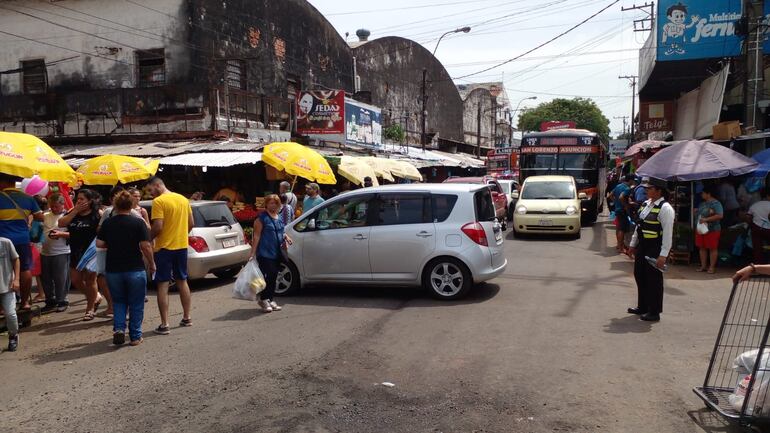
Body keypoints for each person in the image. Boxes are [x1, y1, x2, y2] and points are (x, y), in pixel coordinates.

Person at [97, 191, 155, 347]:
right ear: (132, 205)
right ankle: (135, 336)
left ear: (115, 205)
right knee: (136, 303)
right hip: (135, 268)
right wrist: (152, 263)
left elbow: (99, 244)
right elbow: (146, 246)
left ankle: (119, 330)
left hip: (113, 268)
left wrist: (112, 242)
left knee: (119, 302)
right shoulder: (138, 223)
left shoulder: (108, 223)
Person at [146, 177, 194, 335]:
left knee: (163, 284)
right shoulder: (182, 199)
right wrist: (181, 235)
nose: (150, 193)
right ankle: (187, 317)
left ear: (158, 185)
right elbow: (191, 223)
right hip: (181, 246)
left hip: (164, 248)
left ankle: (164, 323)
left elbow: (158, 226)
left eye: (151, 190)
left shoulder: (159, 201)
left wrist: (147, 239)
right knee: (182, 281)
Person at [627, 177, 675, 322]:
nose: (646, 190)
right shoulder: (646, 204)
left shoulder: (666, 209)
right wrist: (632, 244)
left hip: (655, 247)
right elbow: (639, 226)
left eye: (650, 188)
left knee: (653, 279)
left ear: (659, 191)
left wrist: (663, 255)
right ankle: (643, 306)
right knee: (639, 274)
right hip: (643, 245)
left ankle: (654, 311)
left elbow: (668, 233)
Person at [0, 173, 43, 310]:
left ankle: (2, 307)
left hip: (3, 240)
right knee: (25, 269)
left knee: (2, 271)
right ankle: (25, 302)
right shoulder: (28, 198)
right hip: (22, 239)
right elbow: (41, 217)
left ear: (3, 182)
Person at [58, 189, 103, 321]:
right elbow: (61, 223)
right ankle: (95, 297)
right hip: (75, 250)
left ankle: (89, 309)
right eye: (78, 199)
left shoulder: (97, 214)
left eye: (82, 199)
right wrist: (75, 211)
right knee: (76, 279)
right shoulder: (73, 212)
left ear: (90, 201)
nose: (79, 201)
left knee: (90, 280)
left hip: (91, 252)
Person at [249, 194, 292, 313]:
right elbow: (256, 236)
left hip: (277, 251)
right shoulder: (261, 218)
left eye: (275, 203)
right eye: (270, 203)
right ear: (266, 204)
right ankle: (263, 299)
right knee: (269, 275)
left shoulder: (278, 217)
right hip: (265, 252)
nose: (273, 205)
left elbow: (281, 231)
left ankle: (270, 299)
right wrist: (253, 253)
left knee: (274, 277)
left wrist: (287, 237)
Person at [40, 194, 70, 313]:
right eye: (51, 206)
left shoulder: (68, 216)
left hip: (61, 251)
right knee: (46, 278)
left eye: (56, 206)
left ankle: (62, 300)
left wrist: (61, 234)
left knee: (60, 278)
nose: (54, 209)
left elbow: (76, 234)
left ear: (62, 205)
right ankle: (50, 300)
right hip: (45, 251)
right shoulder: (46, 215)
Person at [695, 185, 724, 274]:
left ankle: (712, 267)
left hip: (712, 229)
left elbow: (720, 215)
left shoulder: (716, 203)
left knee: (712, 248)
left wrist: (706, 219)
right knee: (702, 247)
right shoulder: (702, 203)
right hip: (701, 229)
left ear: (709, 194)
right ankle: (703, 266)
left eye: (703, 193)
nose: (702, 195)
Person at [0, 237, 20, 351]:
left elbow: (16, 259)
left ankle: (13, 335)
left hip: (6, 286)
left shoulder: (5, 242)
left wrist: (16, 279)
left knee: (11, 314)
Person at [611, 175, 635, 254]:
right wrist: (625, 206)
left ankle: (619, 245)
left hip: (617, 210)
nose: (634, 182)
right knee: (622, 229)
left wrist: (615, 203)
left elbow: (610, 195)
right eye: (633, 180)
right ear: (630, 180)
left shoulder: (618, 186)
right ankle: (621, 248)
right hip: (622, 211)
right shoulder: (627, 188)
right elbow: (621, 197)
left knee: (618, 228)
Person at [30, 195, 47, 303]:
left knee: (39, 273)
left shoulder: (36, 218)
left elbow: (34, 235)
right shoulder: (47, 215)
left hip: (37, 246)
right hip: (45, 245)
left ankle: (42, 293)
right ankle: (44, 293)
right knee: (44, 272)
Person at [748, 189, 770, 264]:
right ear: (768, 196)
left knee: (757, 248)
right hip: (768, 230)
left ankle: (758, 265)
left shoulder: (755, 205)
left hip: (756, 229)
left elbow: (749, 217)